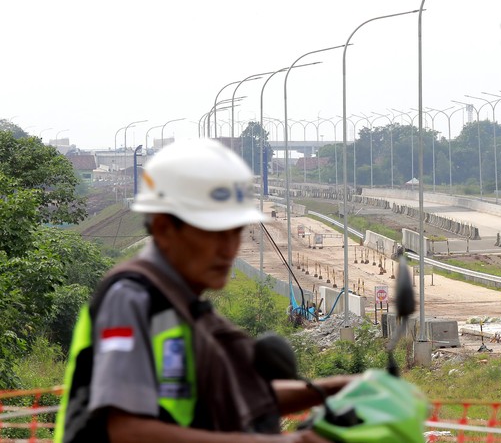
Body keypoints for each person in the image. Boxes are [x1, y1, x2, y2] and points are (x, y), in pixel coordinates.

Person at [55, 138, 349, 443]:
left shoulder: (189, 313)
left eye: (235, 232)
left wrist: (338, 388)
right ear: (164, 228)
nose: (229, 249)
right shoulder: (132, 299)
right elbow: (126, 431)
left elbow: (243, 395)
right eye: (213, 232)